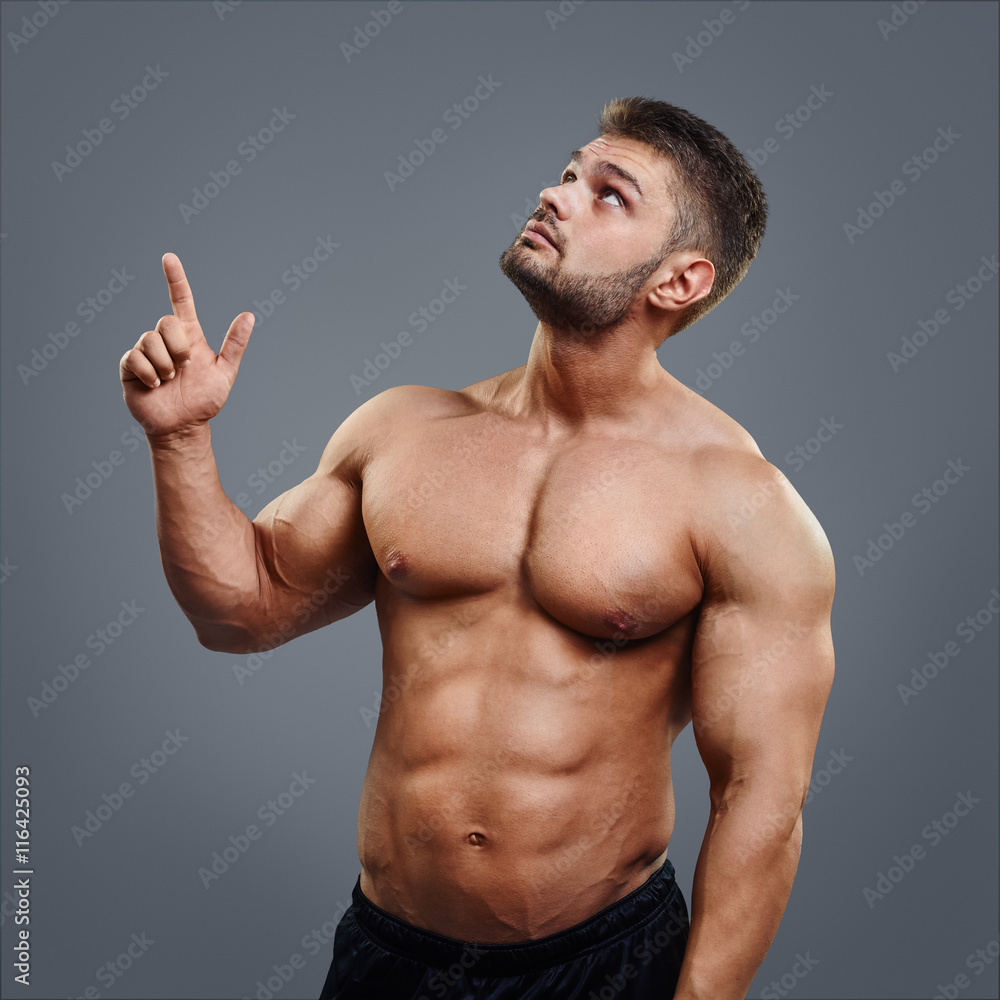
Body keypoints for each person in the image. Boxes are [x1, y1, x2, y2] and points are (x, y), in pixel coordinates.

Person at [119, 97, 835, 999]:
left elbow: (759, 799)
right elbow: (241, 610)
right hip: (390, 953)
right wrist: (179, 441)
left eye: (609, 194)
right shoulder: (403, 429)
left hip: (601, 964)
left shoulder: (740, 501)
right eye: (570, 171)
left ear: (678, 281)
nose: (558, 193)